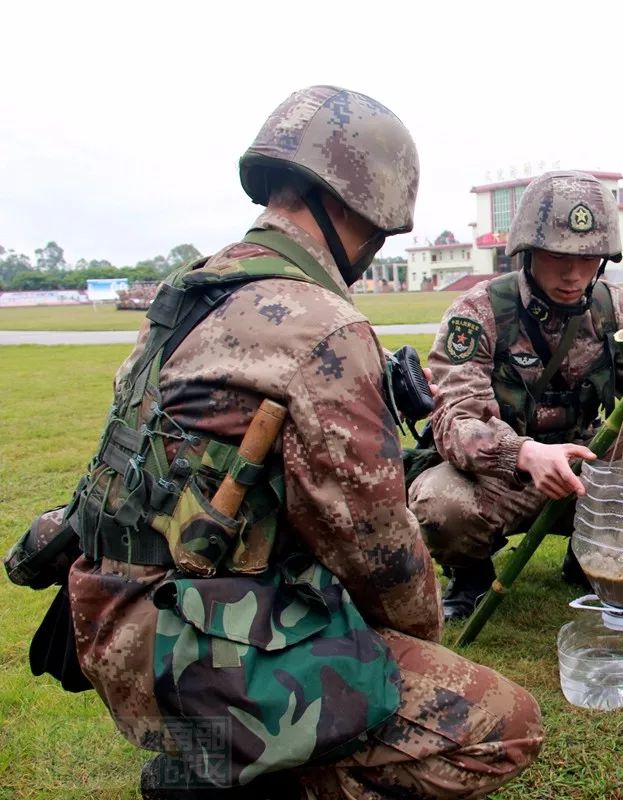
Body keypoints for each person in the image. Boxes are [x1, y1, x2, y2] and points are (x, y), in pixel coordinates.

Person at [58, 85, 542, 798]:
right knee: (505, 723)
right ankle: (241, 777)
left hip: (104, 617)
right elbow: (380, 556)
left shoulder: (189, 291)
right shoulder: (324, 327)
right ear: (359, 204)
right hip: (184, 652)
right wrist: (415, 641)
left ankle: (214, 756)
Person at [409, 170, 623, 621]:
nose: (573, 274)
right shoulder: (478, 311)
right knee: (440, 503)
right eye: (558, 256)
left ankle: (591, 556)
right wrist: (522, 453)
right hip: (507, 475)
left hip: (588, 464)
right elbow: (455, 419)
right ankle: (470, 575)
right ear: (527, 252)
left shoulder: (614, 308)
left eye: (589, 259)